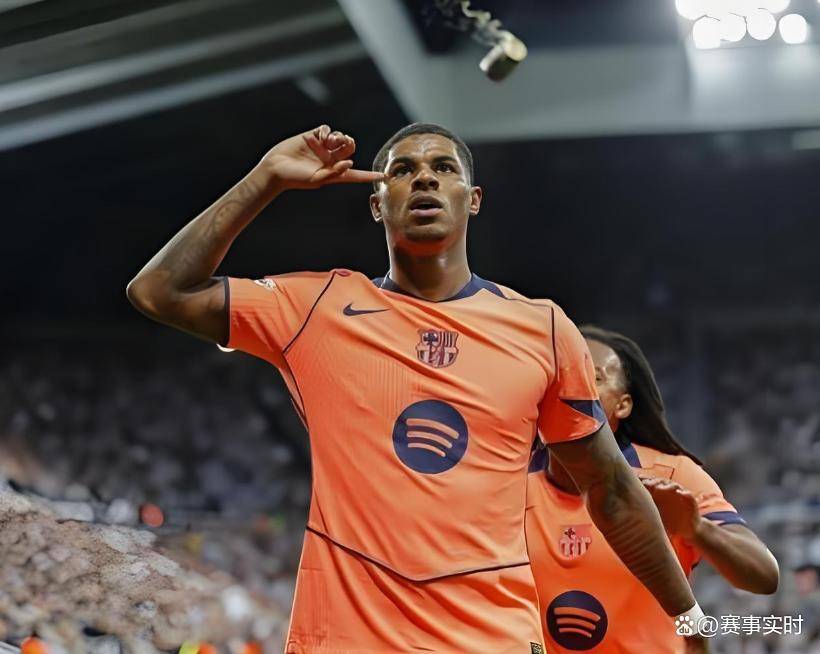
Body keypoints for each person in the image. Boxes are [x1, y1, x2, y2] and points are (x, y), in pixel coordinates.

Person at [127, 123, 702, 652]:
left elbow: (612, 491)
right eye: (402, 170)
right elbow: (159, 291)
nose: (424, 178)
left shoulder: (543, 328)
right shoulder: (316, 309)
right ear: (377, 203)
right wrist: (267, 177)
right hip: (348, 637)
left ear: (472, 199)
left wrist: (691, 622)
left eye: (444, 168)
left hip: (490, 637)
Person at [526, 325, 780, 653]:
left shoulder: (673, 476)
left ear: (623, 405)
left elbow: (764, 576)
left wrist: (696, 529)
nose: (568, 386)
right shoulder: (507, 480)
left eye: (594, 377)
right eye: (560, 374)